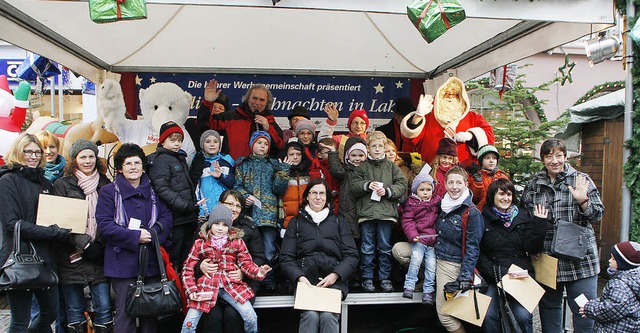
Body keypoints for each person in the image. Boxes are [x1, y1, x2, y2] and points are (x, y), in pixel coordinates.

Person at [0, 133, 82, 333]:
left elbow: (53, 216)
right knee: (20, 320)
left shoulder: (45, 183)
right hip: (19, 256)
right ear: (18, 152)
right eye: (28, 151)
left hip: (45, 257)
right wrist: (53, 231)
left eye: (37, 152)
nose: (34, 156)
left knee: (50, 313)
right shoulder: (7, 180)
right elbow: (12, 224)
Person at [522, 138, 604, 333]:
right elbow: (524, 220)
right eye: (549, 156)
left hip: (580, 258)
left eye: (558, 155)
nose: (554, 161)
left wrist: (583, 200)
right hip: (548, 257)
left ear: (565, 157)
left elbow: (597, 214)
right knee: (550, 310)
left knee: (584, 310)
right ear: (543, 159)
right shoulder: (534, 184)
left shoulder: (580, 180)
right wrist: (531, 246)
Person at [96, 143, 173, 333]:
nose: (133, 167)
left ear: (143, 166)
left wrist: (154, 233)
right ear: (120, 168)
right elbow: (105, 224)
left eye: (137, 162)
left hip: (151, 261)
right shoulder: (108, 192)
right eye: (128, 163)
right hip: (123, 262)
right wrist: (134, 236)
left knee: (151, 315)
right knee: (125, 314)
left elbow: (166, 216)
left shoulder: (154, 190)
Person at [280, 178, 359, 333]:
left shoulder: (338, 221)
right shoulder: (295, 222)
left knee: (328, 317)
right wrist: (300, 278)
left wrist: (336, 275)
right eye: (314, 193)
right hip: (306, 281)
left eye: (322, 193)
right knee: (310, 316)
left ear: (327, 197)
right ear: (307, 196)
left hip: (333, 282)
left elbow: (352, 255)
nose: (318, 197)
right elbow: (286, 258)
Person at [52, 140, 113, 333]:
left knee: (104, 309)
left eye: (91, 156)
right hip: (71, 256)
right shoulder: (62, 184)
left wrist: (99, 245)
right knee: (75, 311)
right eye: (83, 157)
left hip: (99, 256)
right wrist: (85, 245)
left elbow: (111, 217)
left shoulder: (105, 183)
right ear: (75, 160)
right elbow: (61, 220)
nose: (88, 161)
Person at [181, 205, 271, 333]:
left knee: (251, 317)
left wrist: (258, 272)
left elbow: (246, 263)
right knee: (189, 324)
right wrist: (191, 290)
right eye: (216, 223)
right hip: (206, 288)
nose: (220, 228)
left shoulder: (237, 242)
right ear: (210, 224)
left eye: (224, 225)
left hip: (231, 286)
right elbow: (187, 269)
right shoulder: (200, 243)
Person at [476, 178, 551, 333]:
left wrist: (539, 225)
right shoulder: (483, 218)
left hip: (519, 276)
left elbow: (532, 248)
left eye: (509, 194)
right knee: (488, 314)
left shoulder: (521, 216)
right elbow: (479, 251)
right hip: (494, 275)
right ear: (493, 196)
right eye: (501, 194)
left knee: (522, 316)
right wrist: (496, 272)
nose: (505, 198)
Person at [350, 131, 408, 293]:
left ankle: (385, 278)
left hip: (386, 215)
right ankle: (367, 278)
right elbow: (353, 186)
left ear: (384, 148)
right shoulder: (362, 167)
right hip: (366, 215)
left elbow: (402, 185)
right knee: (367, 248)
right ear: (368, 148)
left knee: (384, 247)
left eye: (380, 146)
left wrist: (388, 191)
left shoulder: (391, 167)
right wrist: (366, 185)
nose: (377, 149)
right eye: (373, 146)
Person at [234, 130, 291, 289]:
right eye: (259, 142)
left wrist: (284, 171)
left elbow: (279, 189)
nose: (263, 146)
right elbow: (237, 186)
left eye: (266, 144)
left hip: (268, 214)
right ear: (252, 145)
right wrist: (245, 196)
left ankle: (268, 279)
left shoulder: (274, 164)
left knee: (269, 249)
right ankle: (248, 280)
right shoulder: (242, 163)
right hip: (248, 215)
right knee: (247, 249)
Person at [400, 77, 494, 167]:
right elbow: (409, 139)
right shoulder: (428, 116)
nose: (450, 98)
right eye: (447, 94)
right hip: (432, 172)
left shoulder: (473, 118)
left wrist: (472, 136)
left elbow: (489, 138)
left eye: (455, 95)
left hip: (464, 175)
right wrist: (418, 116)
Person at [434, 166, 483, 333]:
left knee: (445, 315)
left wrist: (464, 276)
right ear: (445, 184)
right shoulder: (441, 204)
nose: (454, 187)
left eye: (458, 183)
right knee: (400, 251)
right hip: (434, 254)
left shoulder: (471, 212)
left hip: (452, 263)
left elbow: (472, 248)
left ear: (465, 185)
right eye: (451, 182)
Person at [148, 121, 199, 271]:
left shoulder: (179, 157)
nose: (177, 144)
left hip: (186, 217)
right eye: (172, 140)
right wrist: (184, 205)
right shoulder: (160, 160)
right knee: (174, 257)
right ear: (162, 140)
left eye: (179, 140)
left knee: (185, 255)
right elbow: (162, 188)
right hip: (175, 217)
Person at [202, 80, 284, 160]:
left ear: (267, 103)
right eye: (254, 98)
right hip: (232, 169)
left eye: (262, 100)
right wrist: (208, 103)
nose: (257, 103)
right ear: (247, 99)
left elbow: (280, 148)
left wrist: (268, 129)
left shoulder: (270, 122)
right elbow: (204, 125)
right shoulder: (230, 118)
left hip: (260, 172)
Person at [401, 164, 441, 304]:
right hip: (419, 239)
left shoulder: (437, 203)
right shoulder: (412, 204)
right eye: (422, 189)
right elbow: (407, 220)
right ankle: (409, 286)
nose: (425, 192)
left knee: (431, 266)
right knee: (416, 260)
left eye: (428, 189)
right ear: (415, 190)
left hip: (432, 240)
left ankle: (428, 291)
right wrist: (413, 235)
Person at [580, 241, 640, 333]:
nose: (609, 260)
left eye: (613, 259)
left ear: (623, 263)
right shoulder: (632, 279)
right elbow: (610, 300)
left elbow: (613, 308)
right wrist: (595, 303)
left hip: (615, 328)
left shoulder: (620, 284)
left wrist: (589, 308)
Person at [324, 136, 367, 239]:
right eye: (353, 155)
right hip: (348, 212)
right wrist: (333, 153)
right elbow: (335, 170)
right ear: (348, 156)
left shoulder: (368, 171)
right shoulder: (346, 172)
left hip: (364, 211)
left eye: (361, 155)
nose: (357, 158)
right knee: (350, 237)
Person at [190, 130, 235, 219]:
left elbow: (233, 183)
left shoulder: (227, 160)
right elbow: (193, 185)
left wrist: (220, 177)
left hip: (226, 209)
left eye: (215, 141)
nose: (212, 144)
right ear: (202, 145)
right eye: (208, 141)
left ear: (219, 144)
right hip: (205, 210)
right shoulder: (197, 161)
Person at [278, 141, 311, 236]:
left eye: (298, 154)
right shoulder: (281, 172)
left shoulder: (308, 173)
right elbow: (278, 189)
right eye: (292, 154)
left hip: (307, 219)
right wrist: (284, 171)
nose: (295, 157)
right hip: (287, 220)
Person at [467, 144, 509, 210]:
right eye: (487, 158)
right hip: (483, 212)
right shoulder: (476, 176)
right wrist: (477, 183)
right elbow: (475, 199)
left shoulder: (502, 176)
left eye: (494, 158)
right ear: (481, 161)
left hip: (500, 211)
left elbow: (508, 195)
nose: (491, 161)